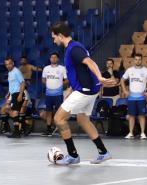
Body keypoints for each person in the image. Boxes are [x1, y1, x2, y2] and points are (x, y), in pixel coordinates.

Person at [50, 22, 114, 165]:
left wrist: (100, 77)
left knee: (59, 119)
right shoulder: (73, 47)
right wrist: (72, 90)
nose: (54, 40)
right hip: (88, 89)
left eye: (54, 37)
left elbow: (90, 63)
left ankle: (73, 155)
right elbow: (79, 71)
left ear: (60, 35)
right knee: (83, 120)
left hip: (85, 91)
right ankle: (103, 152)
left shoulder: (73, 49)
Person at [121, 53, 147, 139]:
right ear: (134, 60)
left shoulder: (146, 70)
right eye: (136, 59)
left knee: (141, 115)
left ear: (141, 60)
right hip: (131, 98)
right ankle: (130, 133)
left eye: (139, 59)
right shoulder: (129, 70)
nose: (138, 61)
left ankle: (143, 133)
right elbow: (122, 80)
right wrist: (125, 90)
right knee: (131, 115)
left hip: (141, 98)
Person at [41, 52, 68, 136]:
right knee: (48, 112)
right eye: (52, 57)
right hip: (48, 94)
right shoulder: (46, 68)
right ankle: (48, 129)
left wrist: (60, 86)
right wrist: (48, 86)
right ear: (50, 59)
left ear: (58, 59)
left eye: (55, 57)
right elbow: (43, 79)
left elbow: (67, 80)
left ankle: (60, 129)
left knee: (59, 112)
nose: (53, 59)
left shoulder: (62, 68)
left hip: (58, 94)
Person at [1, 57, 26, 138]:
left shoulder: (16, 71)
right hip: (13, 94)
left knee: (15, 112)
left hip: (18, 93)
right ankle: (19, 129)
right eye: (6, 64)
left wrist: (20, 94)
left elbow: (22, 83)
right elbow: (11, 84)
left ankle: (17, 132)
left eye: (9, 64)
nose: (8, 66)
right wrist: (8, 93)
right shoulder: (9, 73)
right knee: (9, 110)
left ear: (13, 63)